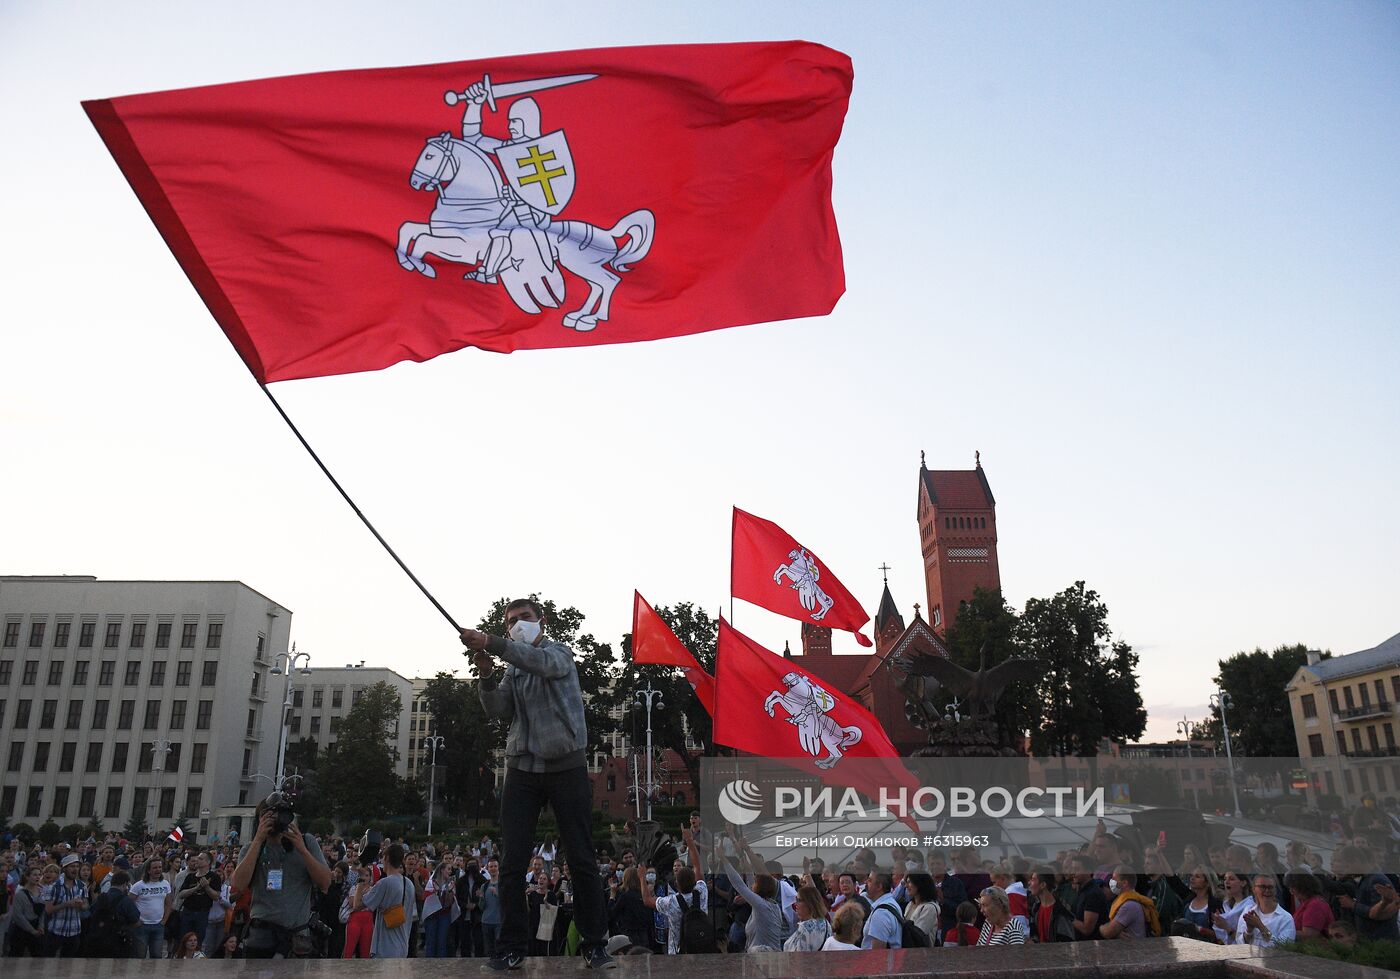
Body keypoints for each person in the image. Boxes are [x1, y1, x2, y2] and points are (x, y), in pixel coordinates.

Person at [463, 598, 613, 970]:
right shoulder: (513, 670)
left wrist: (493, 643)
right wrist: (485, 674)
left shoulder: (558, 653)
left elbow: (540, 664)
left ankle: (595, 944)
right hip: (523, 769)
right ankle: (512, 946)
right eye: (510, 622)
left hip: (566, 767)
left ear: (541, 621)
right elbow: (499, 710)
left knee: (581, 858)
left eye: (523, 618)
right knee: (512, 862)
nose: (516, 625)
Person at [231, 793, 332, 958]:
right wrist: (258, 840)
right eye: (268, 816)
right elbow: (238, 885)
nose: (274, 820)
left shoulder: (306, 842)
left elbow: (325, 883)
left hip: (296, 938)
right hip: (262, 936)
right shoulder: (251, 849)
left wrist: (302, 849)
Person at [640, 831, 707, 955]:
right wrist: (690, 842)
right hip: (701, 948)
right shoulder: (702, 891)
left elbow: (647, 900)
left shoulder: (671, 901)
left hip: (677, 951)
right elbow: (697, 866)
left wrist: (642, 878)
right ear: (694, 882)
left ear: (677, 885)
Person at [354, 843, 415, 959]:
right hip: (402, 945)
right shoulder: (409, 883)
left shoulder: (385, 883)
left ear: (386, 858)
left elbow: (357, 906)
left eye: (382, 857)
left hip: (385, 948)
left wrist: (361, 880)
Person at [84, 869, 141, 958]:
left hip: (99, 941)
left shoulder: (101, 898)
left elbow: (90, 913)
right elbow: (136, 921)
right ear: (125, 884)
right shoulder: (126, 900)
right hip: (119, 943)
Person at [43, 853, 89, 957]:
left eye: (77, 866)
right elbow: (48, 910)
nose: (75, 869)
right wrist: (67, 904)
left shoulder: (82, 886)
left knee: (68, 965)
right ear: (64, 868)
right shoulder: (54, 887)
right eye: (72, 866)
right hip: (56, 931)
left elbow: (86, 905)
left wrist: (81, 905)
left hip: (74, 931)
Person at [177, 851, 221, 948]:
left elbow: (216, 896)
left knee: (198, 941)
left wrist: (206, 887)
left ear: (208, 862)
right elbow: (181, 894)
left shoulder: (214, 877)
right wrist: (195, 888)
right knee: (184, 939)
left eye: (201, 858)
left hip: (202, 913)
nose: (197, 860)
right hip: (188, 912)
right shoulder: (190, 876)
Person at [1237, 874, 1295, 947]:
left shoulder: (1285, 918)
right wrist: (1249, 931)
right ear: (1254, 889)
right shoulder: (1248, 911)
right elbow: (1239, 944)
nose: (1267, 890)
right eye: (1263, 887)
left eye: (1270, 887)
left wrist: (1261, 927)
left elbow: (1283, 948)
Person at [1100, 866, 1158, 939]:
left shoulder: (1129, 905)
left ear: (1124, 883)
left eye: (1114, 879)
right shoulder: (1129, 900)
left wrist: (1101, 927)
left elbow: (1107, 933)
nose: (1111, 882)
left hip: (1133, 949)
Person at [6, 864, 46, 957]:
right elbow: (18, 916)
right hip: (21, 930)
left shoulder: (41, 892)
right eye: (35, 875)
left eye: (39, 875)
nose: (37, 877)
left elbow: (42, 911)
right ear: (27, 877)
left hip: (36, 926)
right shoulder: (20, 894)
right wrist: (32, 931)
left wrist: (41, 926)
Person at [1068, 855, 1108, 941]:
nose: (1073, 873)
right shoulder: (1083, 891)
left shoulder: (1093, 894)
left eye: (1077, 869)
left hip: (1094, 948)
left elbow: (1087, 929)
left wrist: (1067, 916)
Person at [1287, 871, 1334, 943]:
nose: (1291, 891)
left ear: (1302, 887)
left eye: (1293, 888)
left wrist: (1282, 932)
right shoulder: (1307, 902)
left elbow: (1309, 935)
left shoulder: (1315, 904)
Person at [861, 871, 903, 950]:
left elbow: (878, 953)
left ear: (879, 887)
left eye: (869, 880)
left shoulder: (881, 914)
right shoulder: (891, 903)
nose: (866, 883)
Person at [902, 872, 939, 942]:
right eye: (906, 882)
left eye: (909, 882)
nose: (906, 886)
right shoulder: (910, 904)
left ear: (919, 884)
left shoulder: (929, 908)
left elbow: (918, 935)